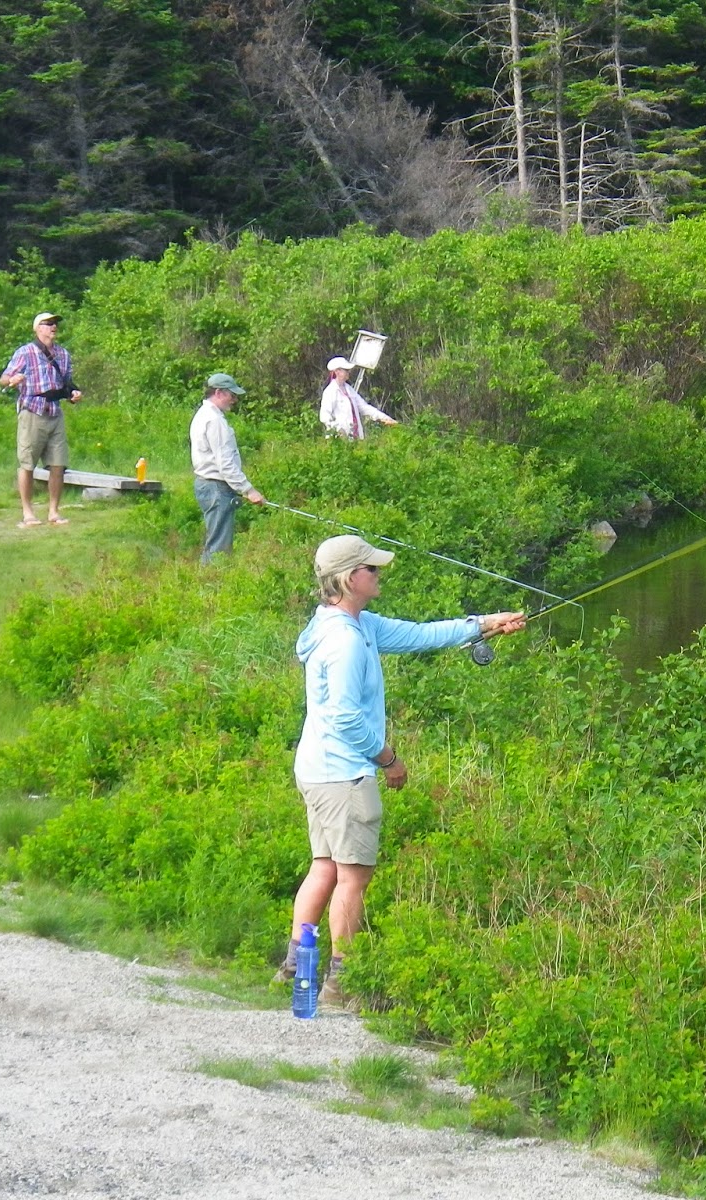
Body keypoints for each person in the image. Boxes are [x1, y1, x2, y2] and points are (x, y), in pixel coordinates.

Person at [274, 534, 526, 1008]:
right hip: (344, 775)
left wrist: (484, 624)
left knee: (325, 867)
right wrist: (388, 759)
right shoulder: (346, 642)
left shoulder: (351, 624)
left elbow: (418, 634)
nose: (378, 574)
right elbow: (346, 717)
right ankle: (339, 983)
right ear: (351, 579)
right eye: (371, 569)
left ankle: (294, 967)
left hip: (318, 768)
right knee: (353, 877)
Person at [0, 312, 82, 528]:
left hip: (55, 412)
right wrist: (13, 379)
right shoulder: (25, 352)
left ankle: (54, 512)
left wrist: (74, 394)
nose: (53, 327)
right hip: (31, 411)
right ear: (37, 328)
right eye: (48, 324)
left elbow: (68, 383)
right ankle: (28, 513)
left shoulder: (63, 355)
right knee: (27, 463)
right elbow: (4, 377)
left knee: (58, 464)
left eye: (55, 324)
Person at [190, 372, 266, 563]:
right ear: (218, 392)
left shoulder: (203, 415)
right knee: (219, 547)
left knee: (216, 539)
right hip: (216, 487)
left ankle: (209, 582)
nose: (234, 400)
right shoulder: (215, 421)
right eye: (231, 395)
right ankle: (212, 585)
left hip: (208, 485)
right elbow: (225, 464)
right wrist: (249, 490)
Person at [319, 356, 397, 439]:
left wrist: (385, 418)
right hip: (338, 440)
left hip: (355, 437)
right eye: (346, 370)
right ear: (337, 372)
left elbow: (364, 407)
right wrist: (338, 429)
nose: (348, 372)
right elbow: (324, 416)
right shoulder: (330, 391)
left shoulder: (349, 389)